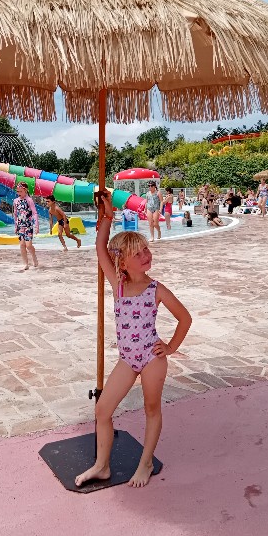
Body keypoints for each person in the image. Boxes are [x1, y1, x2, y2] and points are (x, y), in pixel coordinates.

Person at [75, 191, 191, 489]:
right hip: (128, 359)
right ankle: (102, 466)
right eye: (138, 253)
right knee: (102, 410)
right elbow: (100, 246)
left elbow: (185, 318)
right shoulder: (119, 286)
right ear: (122, 263)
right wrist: (107, 218)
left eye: (146, 250)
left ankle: (146, 461)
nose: (146, 256)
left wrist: (171, 347)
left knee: (151, 408)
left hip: (152, 358)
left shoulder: (157, 289)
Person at [14, 182, 40, 270]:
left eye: (20, 191)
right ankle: (25, 263)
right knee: (22, 245)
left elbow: (34, 213)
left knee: (28, 245)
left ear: (25, 190)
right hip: (20, 226)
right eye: (18, 191)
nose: (19, 193)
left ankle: (34, 255)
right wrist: (15, 226)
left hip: (28, 226)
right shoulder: (16, 201)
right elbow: (15, 214)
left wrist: (36, 225)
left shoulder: (29, 200)